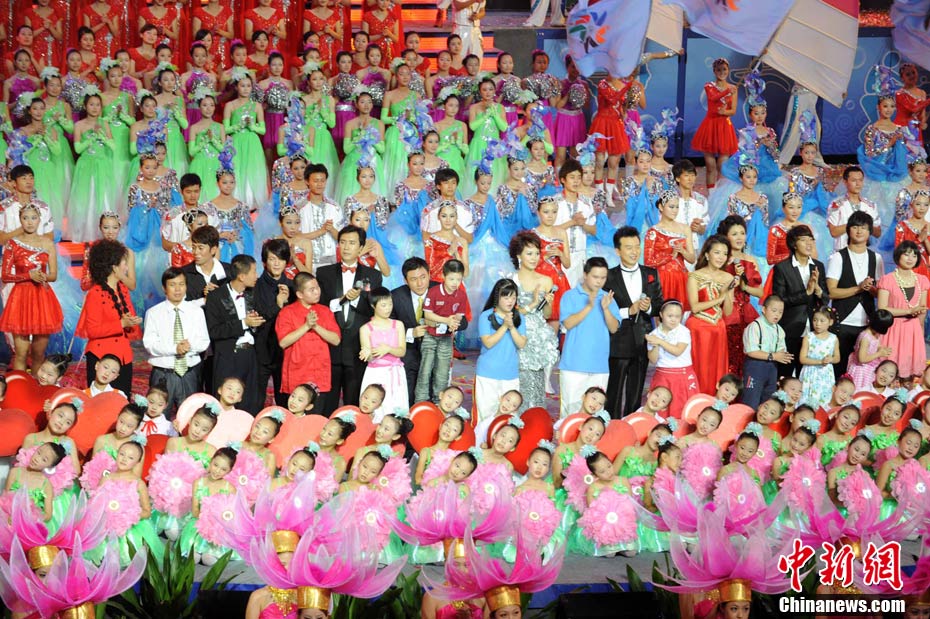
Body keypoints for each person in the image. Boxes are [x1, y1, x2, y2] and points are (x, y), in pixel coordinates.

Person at [316, 224, 383, 414]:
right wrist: (343, 299)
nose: (346, 247)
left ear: (361, 248)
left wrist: (355, 301)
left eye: (352, 243)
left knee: (354, 402)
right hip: (330, 346)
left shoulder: (373, 275)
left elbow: (374, 309)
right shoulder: (324, 273)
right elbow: (320, 307)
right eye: (343, 242)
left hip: (357, 348)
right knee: (326, 401)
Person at [604, 226, 663, 418]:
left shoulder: (651, 273)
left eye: (637, 246)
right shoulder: (608, 276)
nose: (634, 252)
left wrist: (648, 307)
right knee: (614, 391)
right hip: (617, 341)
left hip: (642, 340)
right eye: (628, 247)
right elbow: (604, 309)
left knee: (635, 391)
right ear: (617, 251)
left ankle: (632, 425)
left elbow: (659, 305)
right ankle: (611, 426)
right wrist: (628, 311)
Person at [76, 239, 142, 395]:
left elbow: (125, 323)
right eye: (124, 263)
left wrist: (131, 323)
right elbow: (92, 331)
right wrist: (121, 323)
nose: (126, 268)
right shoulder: (95, 293)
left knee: (122, 401)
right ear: (114, 267)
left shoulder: (123, 289)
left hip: (123, 355)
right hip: (101, 357)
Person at [0, 204, 61, 372]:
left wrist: (42, 276)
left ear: (39, 220)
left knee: (38, 354)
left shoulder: (47, 243)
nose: (29, 222)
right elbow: (5, 276)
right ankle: (20, 385)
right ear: (20, 220)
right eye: (25, 218)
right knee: (21, 354)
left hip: (42, 298)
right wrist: (28, 276)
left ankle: (36, 386)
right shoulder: (12, 244)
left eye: (33, 218)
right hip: (20, 298)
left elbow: (53, 275)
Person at [559, 257, 621, 418]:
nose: (599, 281)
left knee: (595, 415)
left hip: (599, 366)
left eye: (603, 277)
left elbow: (614, 328)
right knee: (570, 413)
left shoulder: (608, 298)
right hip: (573, 366)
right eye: (595, 277)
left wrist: (605, 309)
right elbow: (568, 323)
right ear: (585, 275)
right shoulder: (570, 296)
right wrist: (589, 307)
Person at [143, 267, 210, 415]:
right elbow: (150, 344)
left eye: (181, 284)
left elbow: (204, 341)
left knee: (189, 416)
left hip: (190, 373)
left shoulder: (196, 312)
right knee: (158, 416)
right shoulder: (154, 313)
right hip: (163, 374)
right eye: (172, 285)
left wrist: (189, 347)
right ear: (164, 288)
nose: (178, 289)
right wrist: (175, 349)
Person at [826, 211, 883, 378]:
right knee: (839, 370)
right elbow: (831, 292)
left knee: (863, 371)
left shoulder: (877, 258)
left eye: (864, 228)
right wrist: (858, 288)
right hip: (842, 322)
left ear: (870, 232)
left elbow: (879, 292)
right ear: (848, 230)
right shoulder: (838, 257)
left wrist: (870, 289)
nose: (859, 231)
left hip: (867, 325)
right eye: (855, 227)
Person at [205, 254, 264, 414]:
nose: (256, 276)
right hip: (228, 356)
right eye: (254, 272)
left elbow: (263, 317)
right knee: (224, 402)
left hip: (250, 355)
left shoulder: (254, 293)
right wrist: (244, 323)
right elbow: (214, 331)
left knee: (249, 401)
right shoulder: (216, 297)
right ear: (242, 276)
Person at [771, 224, 828, 378]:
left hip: (814, 330)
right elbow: (779, 300)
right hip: (790, 329)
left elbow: (826, 299)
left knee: (808, 375)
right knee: (785, 375)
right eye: (803, 240)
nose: (809, 243)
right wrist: (806, 293)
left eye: (811, 239)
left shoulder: (818, 266)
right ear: (794, 244)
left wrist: (818, 291)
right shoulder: (782, 268)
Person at [276, 272, 341, 408]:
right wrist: (306, 326)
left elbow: (336, 340)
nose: (317, 292)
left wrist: (316, 326)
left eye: (317, 287)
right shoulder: (287, 312)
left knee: (316, 416)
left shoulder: (325, 311)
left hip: (320, 373)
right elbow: (283, 342)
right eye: (312, 290)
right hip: (297, 373)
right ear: (300, 294)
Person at [685, 235, 736, 395]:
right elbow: (695, 307)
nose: (721, 257)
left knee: (716, 372)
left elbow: (728, 312)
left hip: (718, 329)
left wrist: (727, 293)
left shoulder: (728, 278)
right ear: (707, 255)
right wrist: (719, 298)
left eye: (725, 253)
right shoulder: (694, 276)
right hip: (698, 329)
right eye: (717, 252)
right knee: (698, 369)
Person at [416, 258, 468, 404]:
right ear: (443, 276)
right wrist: (446, 320)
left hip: (446, 337)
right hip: (430, 335)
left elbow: (459, 316)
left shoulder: (461, 295)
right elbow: (427, 315)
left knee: (442, 373)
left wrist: (454, 324)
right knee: (425, 370)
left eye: (458, 279)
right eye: (451, 279)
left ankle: (439, 403)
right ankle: (420, 402)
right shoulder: (433, 292)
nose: (455, 283)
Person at [475, 279, 526, 422]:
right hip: (488, 373)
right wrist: (504, 326)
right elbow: (488, 343)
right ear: (497, 297)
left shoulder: (519, 317)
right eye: (506, 297)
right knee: (486, 413)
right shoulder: (486, 316)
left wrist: (512, 327)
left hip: (510, 373)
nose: (511, 301)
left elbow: (521, 343)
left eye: (513, 297)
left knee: (508, 416)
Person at [877, 240, 929, 382]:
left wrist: (919, 331)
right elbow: (882, 308)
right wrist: (909, 311)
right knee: (889, 372)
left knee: (909, 377)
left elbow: (922, 309)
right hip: (892, 329)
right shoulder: (887, 280)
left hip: (913, 331)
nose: (910, 258)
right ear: (898, 256)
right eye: (906, 254)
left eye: (914, 255)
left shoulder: (922, 280)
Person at [253, 239, 294, 408]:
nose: (277, 263)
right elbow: (257, 317)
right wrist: (278, 304)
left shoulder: (293, 287)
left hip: (286, 352)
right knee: (255, 399)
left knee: (285, 401)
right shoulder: (255, 286)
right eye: (272, 259)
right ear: (264, 261)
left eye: (281, 259)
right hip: (260, 350)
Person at [391, 257, 437, 404]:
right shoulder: (395, 296)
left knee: (432, 399)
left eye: (423, 277)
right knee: (408, 397)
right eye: (413, 279)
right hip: (408, 355)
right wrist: (411, 333)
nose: (420, 283)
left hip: (435, 355)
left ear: (429, 275)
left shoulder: (441, 291)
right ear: (405, 281)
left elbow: (462, 323)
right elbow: (388, 328)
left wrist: (440, 324)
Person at [740, 295, 791, 409]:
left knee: (767, 401)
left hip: (772, 369)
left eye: (780, 312)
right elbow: (751, 351)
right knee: (751, 401)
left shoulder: (779, 330)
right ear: (764, 309)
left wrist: (784, 356)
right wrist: (773, 356)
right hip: (755, 367)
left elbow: (781, 350)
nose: (777, 315)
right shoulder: (755, 326)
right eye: (774, 311)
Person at [827, 166, 882, 251]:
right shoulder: (836, 204)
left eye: (860, 180)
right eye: (854, 180)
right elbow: (833, 232)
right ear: (845, 182)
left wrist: (866, 225)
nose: (858, 184)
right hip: (842, 252)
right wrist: (853, 223)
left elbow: (878, 233)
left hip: (864, 252)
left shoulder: (870, 206)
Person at [181, 225, 230, 306]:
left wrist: (219, 295)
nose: (195, 252)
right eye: (193, 247)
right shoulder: (184, 274)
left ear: (213, 250)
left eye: (200, 248)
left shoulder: (229, 272)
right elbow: (179, 306)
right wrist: (204, 300)